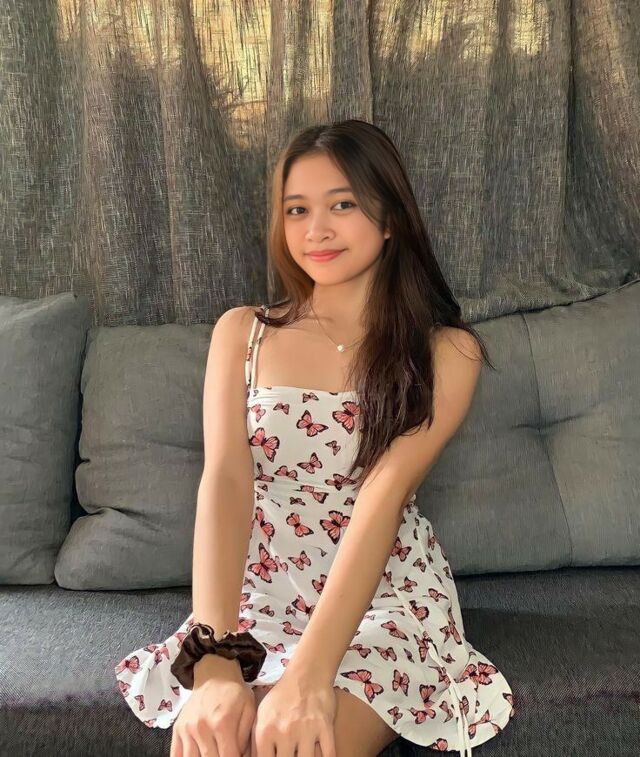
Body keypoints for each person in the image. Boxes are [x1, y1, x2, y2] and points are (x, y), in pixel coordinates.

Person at [115, 118, 515, 757]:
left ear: (391, 217)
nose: (315, 230)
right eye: (296, 209)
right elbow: (226, 482)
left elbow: (384, 497)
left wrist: (308, 676)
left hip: (381, 596)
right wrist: (214, 659)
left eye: (343, 205)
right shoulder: (242, 333)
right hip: (260, 589)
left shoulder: (447, 351)